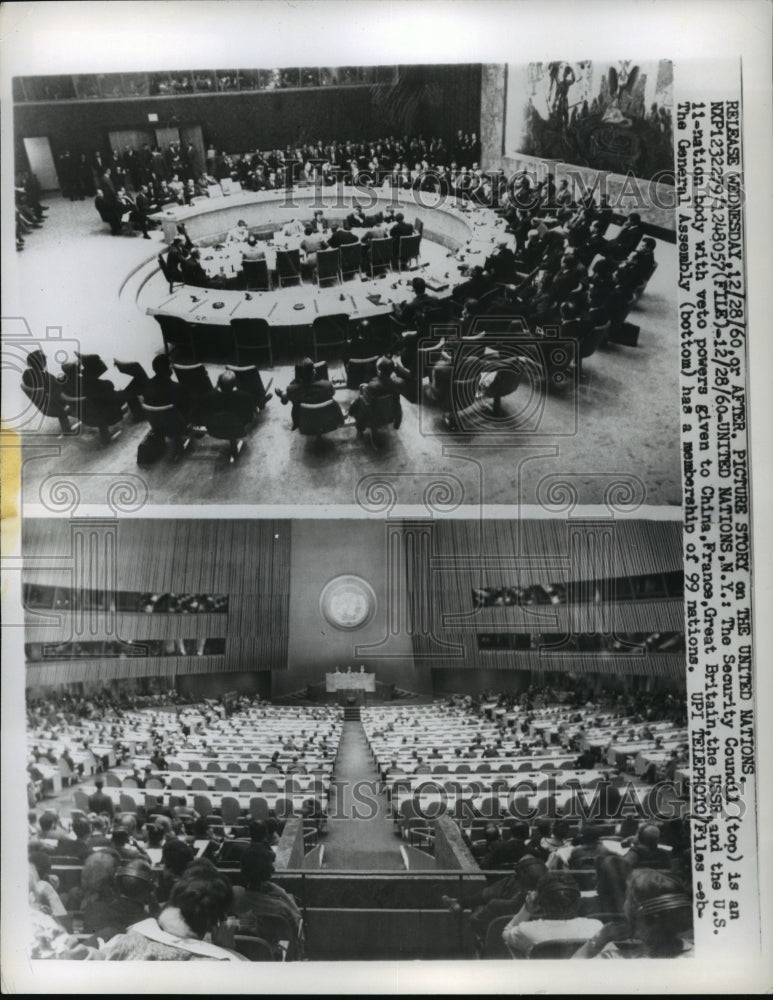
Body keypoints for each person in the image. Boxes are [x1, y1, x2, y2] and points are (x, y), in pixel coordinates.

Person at [97, 866, 248, 961]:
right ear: (218, 922)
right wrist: (228, 948)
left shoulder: (120, 943)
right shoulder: (227, 965)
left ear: (174, 901)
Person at [502, 871, 603, 958]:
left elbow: (506, 933)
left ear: (539, 901)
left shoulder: (525, 930)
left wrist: (527, 909)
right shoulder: (596, 927)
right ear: (577, 900)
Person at [230, 844, 304, 959]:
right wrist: (284, 895)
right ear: (269, 872)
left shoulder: (233, 895)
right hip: (271, 958)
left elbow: (236, 923)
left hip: (240, 954)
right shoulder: (280, 908)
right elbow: (297, 921)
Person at [200, 369, 257, 462]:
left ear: (218, 383)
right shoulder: (245, 396)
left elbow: (204, 414)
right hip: (238, 430)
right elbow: (250, 416)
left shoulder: (209, 396)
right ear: (235, 384)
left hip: (215, 430)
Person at [21, 349, 80, 434]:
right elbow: (58, 393)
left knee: (68, 379)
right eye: (44, 360)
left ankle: (67, 430)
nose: (45, 362)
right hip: (55, 404)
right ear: (41, 362)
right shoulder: (44, 377)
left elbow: (51, 385)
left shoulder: (28, 374)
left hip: (48, 403)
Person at [347, 356, 403, 439]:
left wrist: (351, 408)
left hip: (373, 416)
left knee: (359, 403)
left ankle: (360, 430)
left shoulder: (372, 386)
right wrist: (397, 423)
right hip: (388, 415)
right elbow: (398, 405)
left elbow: (363, 401)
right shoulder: (395, 385)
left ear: (379, 371)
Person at [275, 358, 335, 430]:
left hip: (303, 423)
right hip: (325, 421)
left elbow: (287, 399)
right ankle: (283, 395)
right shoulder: (327, 385)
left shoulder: (293, 389)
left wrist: (295, 382)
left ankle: (283, 395)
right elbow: (332, 393)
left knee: (290, 396)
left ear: (301, 375)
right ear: (314, 372)